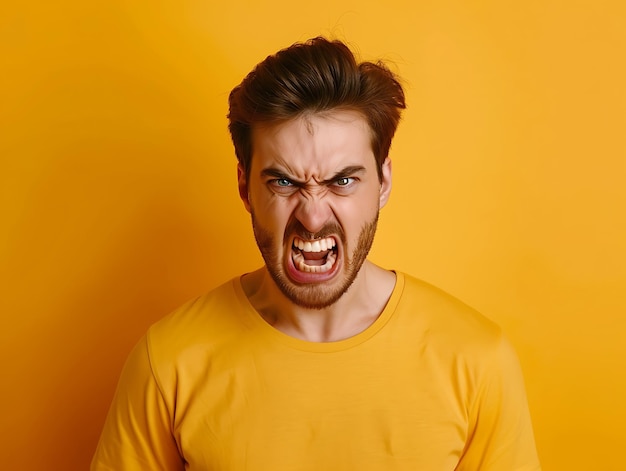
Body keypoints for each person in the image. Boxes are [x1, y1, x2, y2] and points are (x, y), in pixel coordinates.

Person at [91, 37, 541, 470]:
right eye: (283, 182)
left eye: (342, 181)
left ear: (383, 183)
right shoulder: (168, 360)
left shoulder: (476, 361)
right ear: (244, 186)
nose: (312, 217)